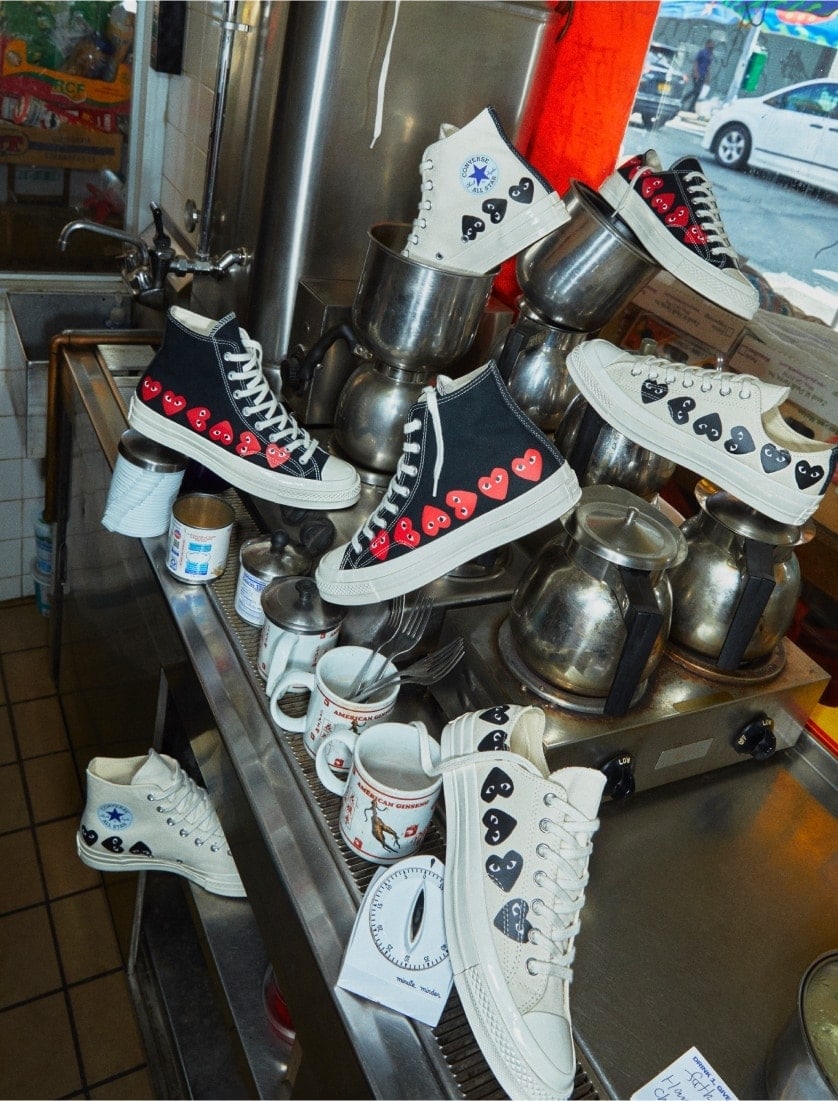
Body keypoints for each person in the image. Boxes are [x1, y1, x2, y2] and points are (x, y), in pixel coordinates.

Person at [682, 39, 715, 112]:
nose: (712, 46)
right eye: (711, 44)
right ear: (707, 44)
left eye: (713, 45)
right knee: (696, 90)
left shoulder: (710, 55)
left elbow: (708, 67)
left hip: (703, 75)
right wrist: (695, 72)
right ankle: (683, 100)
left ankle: (691, 108)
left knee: (698, 92)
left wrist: (708, 77)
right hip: (697, 74)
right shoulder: (702, 52)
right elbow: (696, 62)